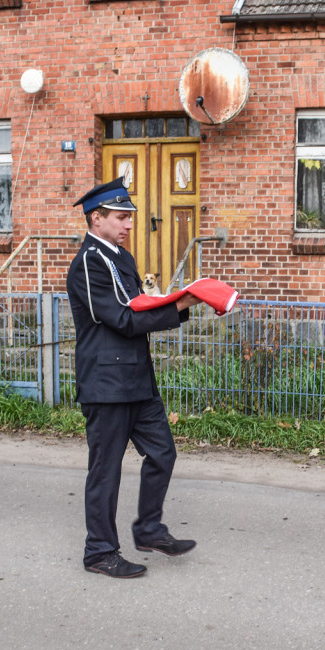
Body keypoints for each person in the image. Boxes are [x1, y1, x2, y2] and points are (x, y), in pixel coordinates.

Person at [66, 178, 203, 579]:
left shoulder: (120, 257)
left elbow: (139, 304)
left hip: (136, 381)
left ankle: (148, 529)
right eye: (121, 217)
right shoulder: (89, 262)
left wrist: (174, 301)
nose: (129, 225)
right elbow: (124, 319)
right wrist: (180, 306)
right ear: (97, 218)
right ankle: (99, 552)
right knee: (105, 471)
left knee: (162, 453)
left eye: (129, 218)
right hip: (106, 385)